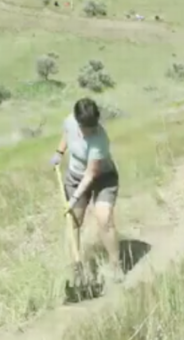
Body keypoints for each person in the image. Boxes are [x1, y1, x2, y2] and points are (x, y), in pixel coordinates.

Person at [49, 98, 123, 283]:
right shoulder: (70, 121)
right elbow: (67, 133)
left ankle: (115, 266)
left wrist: (73, 199)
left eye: (92, 126)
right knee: (74, 221)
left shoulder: (99, 139)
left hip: (102, 178)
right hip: (75, 177)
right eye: (85, 127)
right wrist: (59, 153)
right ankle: (77, 269)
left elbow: (91, 174)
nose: (88, 131)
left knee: (104, 219)